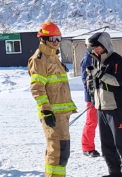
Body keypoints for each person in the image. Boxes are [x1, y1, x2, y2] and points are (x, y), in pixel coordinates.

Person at [28, 20, 77, 177]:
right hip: (53, 116)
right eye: (52, 39)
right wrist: (46, 110)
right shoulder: (39, 59)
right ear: (43, 39)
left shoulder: (54, 57)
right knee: (57, 153)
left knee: (62, 153)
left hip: (63, 116)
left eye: (58, 39)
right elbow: (37, 87)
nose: (56, 42)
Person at [85, 31, 122, 177]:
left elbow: (117, 81)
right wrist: (91, 83)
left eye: (96, 47)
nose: (94, 51)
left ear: (105, 45)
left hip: (115, 108)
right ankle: (114, 172)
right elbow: (95, 80)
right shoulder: (96, 60)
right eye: (92, 48)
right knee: (106, 145)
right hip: (101, 108)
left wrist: (98, 74)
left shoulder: (117, 60)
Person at [80, 49, 100, 157]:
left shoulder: (99, 56)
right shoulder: (88, 59)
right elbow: (86, 79)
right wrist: (92, 95)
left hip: (102, 95)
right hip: (92, 97)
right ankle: (87, 147)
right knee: (92, 121)